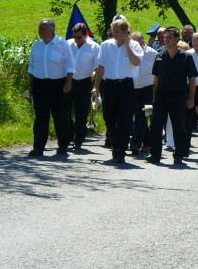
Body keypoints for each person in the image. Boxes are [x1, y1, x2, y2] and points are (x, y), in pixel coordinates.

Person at [94, 18, 143, 163]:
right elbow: (101, 67)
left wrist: (128, 45)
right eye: (113, 31)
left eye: (117, 31)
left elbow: (137, 62)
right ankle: (116, 144)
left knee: (125, 119)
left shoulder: (134, 45)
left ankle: (120, 150)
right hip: (109, 85)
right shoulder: (106, 45)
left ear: (125, 32)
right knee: (108, 116)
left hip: (127, 85)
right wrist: (96, 86)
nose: (114, 34)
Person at [146, 27, 198, 164]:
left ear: (177, 39)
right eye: (165, 37)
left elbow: (192, 79)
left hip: (179, 96)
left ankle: (179, 154)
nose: (166, 40)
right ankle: (155, 154)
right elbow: (156, 79)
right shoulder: (159, 56)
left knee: (179, 126)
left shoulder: (186, 57)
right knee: (156, 125)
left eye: (170, 37)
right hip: (161, 96)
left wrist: (191, 98)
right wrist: (154, 97)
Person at [27, 18, 75, 156]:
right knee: (41, 117)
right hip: (40, 84)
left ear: (50, 30)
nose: (39, 31)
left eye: (41, 28)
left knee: (60, 116)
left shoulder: (62, 44)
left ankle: (63, 145)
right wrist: (31, 86)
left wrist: (68, 82)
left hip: (58, 84)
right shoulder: (37, 45)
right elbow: (31, 67)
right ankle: (38, 147)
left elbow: (70, 65)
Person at [66, 23, 100, 150]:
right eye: (75, 37)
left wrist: (96, 86)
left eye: (79, 37)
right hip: (68, 80)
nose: (76, 40)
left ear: (86, 35)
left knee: (81, 113)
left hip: (84, 82)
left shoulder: (94, 47)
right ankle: (68, 135)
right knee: (65, 110)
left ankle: (79, 140)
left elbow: (98, 67)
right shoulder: (68, 44)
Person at [130, 32, 158, 155]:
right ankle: (147, 143)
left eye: (140, 43)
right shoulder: (128, 51)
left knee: (141, 115)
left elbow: (157, 74)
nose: (139, 45)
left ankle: (135, 144)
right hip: (132, 87)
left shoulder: (152, 54)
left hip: (148, 87)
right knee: (136, 114)